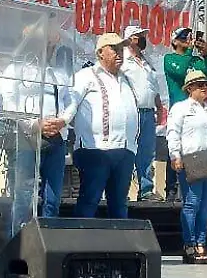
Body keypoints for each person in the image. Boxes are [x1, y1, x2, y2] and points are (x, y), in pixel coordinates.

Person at [47, 33, 139, 219]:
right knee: (90, 199)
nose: (119, 53)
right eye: (114, 48)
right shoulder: (85, 75)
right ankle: (80, 245)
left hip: (125, 150)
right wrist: (63, 120)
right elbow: (72, 101)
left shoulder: (126, 79)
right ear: (100, 53)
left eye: (121, 49)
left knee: (120, 203)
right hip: (95, 149)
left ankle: (119, 246)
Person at [0, 28, 72, 234]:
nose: (49, 48)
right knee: (23, 195)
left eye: (51, 45)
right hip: (26, 138)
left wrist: (62, 121)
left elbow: (70, 100)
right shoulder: (14, 70)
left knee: (53, 197)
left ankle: (48, 243)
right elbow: (9, 104)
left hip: (56, 138)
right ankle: (16, 244)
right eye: (44, 43)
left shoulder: (56, 73)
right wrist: (33, 124)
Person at [166, 69, 207, 265]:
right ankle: (189, 243)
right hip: (190, 158)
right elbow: (173, 132)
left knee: (205, 207)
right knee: (192, 203)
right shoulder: (181, 108)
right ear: (189, 88)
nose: (204, 88)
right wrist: (175, 155)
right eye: (200, 85)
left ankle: (201, 242)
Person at [162, 27, 207, 201]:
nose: (188, 39)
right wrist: (191, 49)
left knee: (195, 147)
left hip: (196, 110)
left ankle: (196, 185)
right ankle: (170, 188)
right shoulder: (169, 58)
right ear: (175, 41)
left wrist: (205, 55)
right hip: (178, 107)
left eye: (189, 37)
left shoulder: (195, 59)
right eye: (183, 37)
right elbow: (180, 72)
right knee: (175, 147)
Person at [121, 24, 168, 202]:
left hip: (149, 112)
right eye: (140, 35)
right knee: (127, 150)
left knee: (147, 152)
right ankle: (122, 189)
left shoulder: (146, 60)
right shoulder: (123, 59)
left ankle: (146, 190)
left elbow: (153, 87)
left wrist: (160, 107)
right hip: (130, 112)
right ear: (131, 38)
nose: (143, 39)